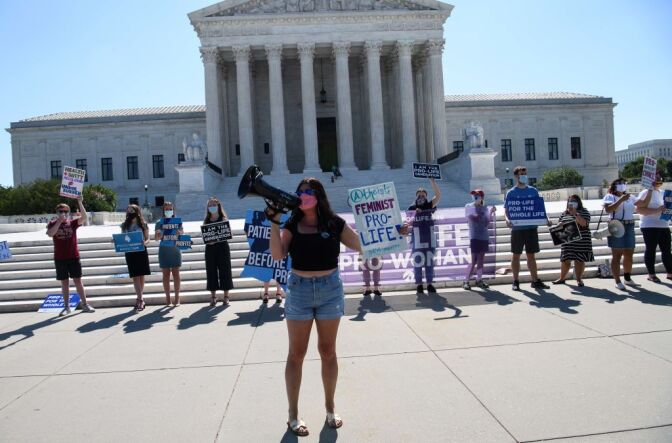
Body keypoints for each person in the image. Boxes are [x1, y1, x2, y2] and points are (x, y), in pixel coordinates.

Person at [268, 177, 362, 437]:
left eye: (308, 191)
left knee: (328, 351)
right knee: (296, 354)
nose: (303, 195)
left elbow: (361, 244)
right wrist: (274, 222)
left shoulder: (334, 223)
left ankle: (330, 408)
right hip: (299, 289)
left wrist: (394, 232)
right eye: (300, 191)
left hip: (330, 289)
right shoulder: (291, 223)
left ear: (318, 196)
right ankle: (293, 414)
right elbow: (277, 254)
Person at [504, 165, 552, 291]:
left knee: (531, 256)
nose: (524, 175)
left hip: (531, 228)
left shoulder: (533, 191)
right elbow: (507, 209)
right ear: (516, 176)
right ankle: (515, 280)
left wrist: (546, 219)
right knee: (516, 255)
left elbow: (539, 208)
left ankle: (535, 280)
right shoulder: (511, 193)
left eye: (525, 173)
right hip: (517, 229)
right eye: (521, 173)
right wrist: (507, 220)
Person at [46, 197, 95, 316]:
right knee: (64, 283)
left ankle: (85, 304)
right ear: (57, 213)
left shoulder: (72, 223)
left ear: (69, 213)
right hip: (60, 258)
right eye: (60, 212)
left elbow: (84, 218)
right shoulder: (52, 223)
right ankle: (67, 307)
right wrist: (59, 222)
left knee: (78, 281)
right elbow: (50, 234)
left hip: (73, 256)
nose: (63, 214)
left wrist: (79, 202)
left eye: (65, 211)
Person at [634, 173, 672, 282]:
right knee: (651, 250)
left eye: (660, 180)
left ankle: (670, 272)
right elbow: (639, 209)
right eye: (656, 180)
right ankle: (651, 274)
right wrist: (657, 210)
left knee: (667, 250)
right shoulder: (645, 192)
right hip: (649, 225)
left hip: (664, 225)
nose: (658, 181)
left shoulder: (664, 193)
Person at [603, 178, 638, 290]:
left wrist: (650, 190)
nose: (622, 185)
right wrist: (621, 200)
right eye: (619, 183)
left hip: (629, 225)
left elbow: (641, 204)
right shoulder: (610, 196)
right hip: (616, 225)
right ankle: (617, 281)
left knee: (629, 253)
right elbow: (608, 210)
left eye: (624, 183)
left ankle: (627, 278)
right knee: (617, 255)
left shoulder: (630, 197)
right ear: (614, 186)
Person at [408, 178, 441, 293]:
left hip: (429, 238)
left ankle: (430, 284)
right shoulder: (411, 208)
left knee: (429, 262)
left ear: (426, 196)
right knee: (417, 262)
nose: (421, 197)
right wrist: (414, 213)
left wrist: (432, 182)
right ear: (415, 197)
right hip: (417, 239)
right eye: (419, 195)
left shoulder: (429, 205)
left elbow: (438, 195)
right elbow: (407, 222)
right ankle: (419, 285)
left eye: (423, 195)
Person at [552, 195, 593, 286]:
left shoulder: (584, 211)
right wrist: (559, 225)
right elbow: (560, 223)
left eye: (574, 200)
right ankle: (562, 278)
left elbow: (584, 223)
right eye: (570, 201)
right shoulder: (564, 213)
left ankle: (579, 279)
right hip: (568, 240)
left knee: (579, 260)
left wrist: (575, 213)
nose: (572, 202)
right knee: (565, 260)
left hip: (581, 240)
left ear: (578, 202)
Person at [203, 197, 234, 306]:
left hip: (223, 247)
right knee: (211, 271)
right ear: (207, 207)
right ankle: (213, 297)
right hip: (210, 248)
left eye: (214, 205)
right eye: (210, 205)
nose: (212, 207)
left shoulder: (224, 219)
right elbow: (205, 236)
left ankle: (226, 296)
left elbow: (229, 234)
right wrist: (209, 241)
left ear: (218, 206)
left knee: (225, 270)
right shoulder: (206, 220)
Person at [463, 189, 496, 290]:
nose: (475, 197)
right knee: (474, 260)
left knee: (481, 260)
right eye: (474, 195)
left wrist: (490, 212)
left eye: (477, 195)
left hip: (483, 236)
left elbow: (487, 222)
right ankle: (466, 281)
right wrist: (477, 213)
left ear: (482, 197)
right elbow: (471, 218)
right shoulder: (469, 206)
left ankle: (479, 279)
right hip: (474, 236)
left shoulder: (484, 208)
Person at [120, 204, 151, 311]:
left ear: (137, 211)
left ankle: (139, 298)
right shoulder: (124, 225)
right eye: (128, 210)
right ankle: (141, 299)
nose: (130, 212)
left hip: (141, 251)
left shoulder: (143, 224)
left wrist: (145, 243)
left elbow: (148, 239)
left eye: (132, 210)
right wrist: (116, 241)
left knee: (141, 275)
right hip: (130, 252)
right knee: (135, 276)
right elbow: (122, 238)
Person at [155, 202, 184, 306]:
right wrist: (159, 234)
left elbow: (182, 234)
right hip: (164, 250)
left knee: (176, 273)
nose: (168, 211)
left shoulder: (177, 221)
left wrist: (179, 233)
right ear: (163, 210)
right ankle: (168, 298)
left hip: (175, 249)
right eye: (166, 209)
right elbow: (156, 238)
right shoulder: (159, 222)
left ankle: (177, 298)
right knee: (165, 275)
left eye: (170, 209)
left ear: (173, 210)